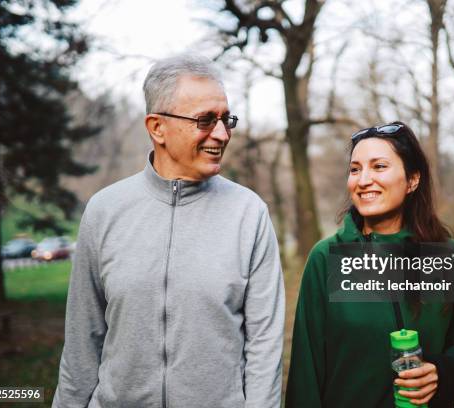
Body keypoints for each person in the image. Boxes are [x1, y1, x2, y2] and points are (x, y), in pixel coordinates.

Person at [53, 54, 285, 408]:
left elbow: (265, 345)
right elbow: (82, 341)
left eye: (226, 119)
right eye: (206, 120)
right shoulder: (104, 211)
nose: (221, 134)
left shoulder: (249, 213)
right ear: (157, 127)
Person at [285, 122, 454, 407]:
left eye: (379, 166)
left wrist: (442, 373)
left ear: (412, 180)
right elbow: (306, 372)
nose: (363, 179)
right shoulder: (326, 258)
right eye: (355, 169)